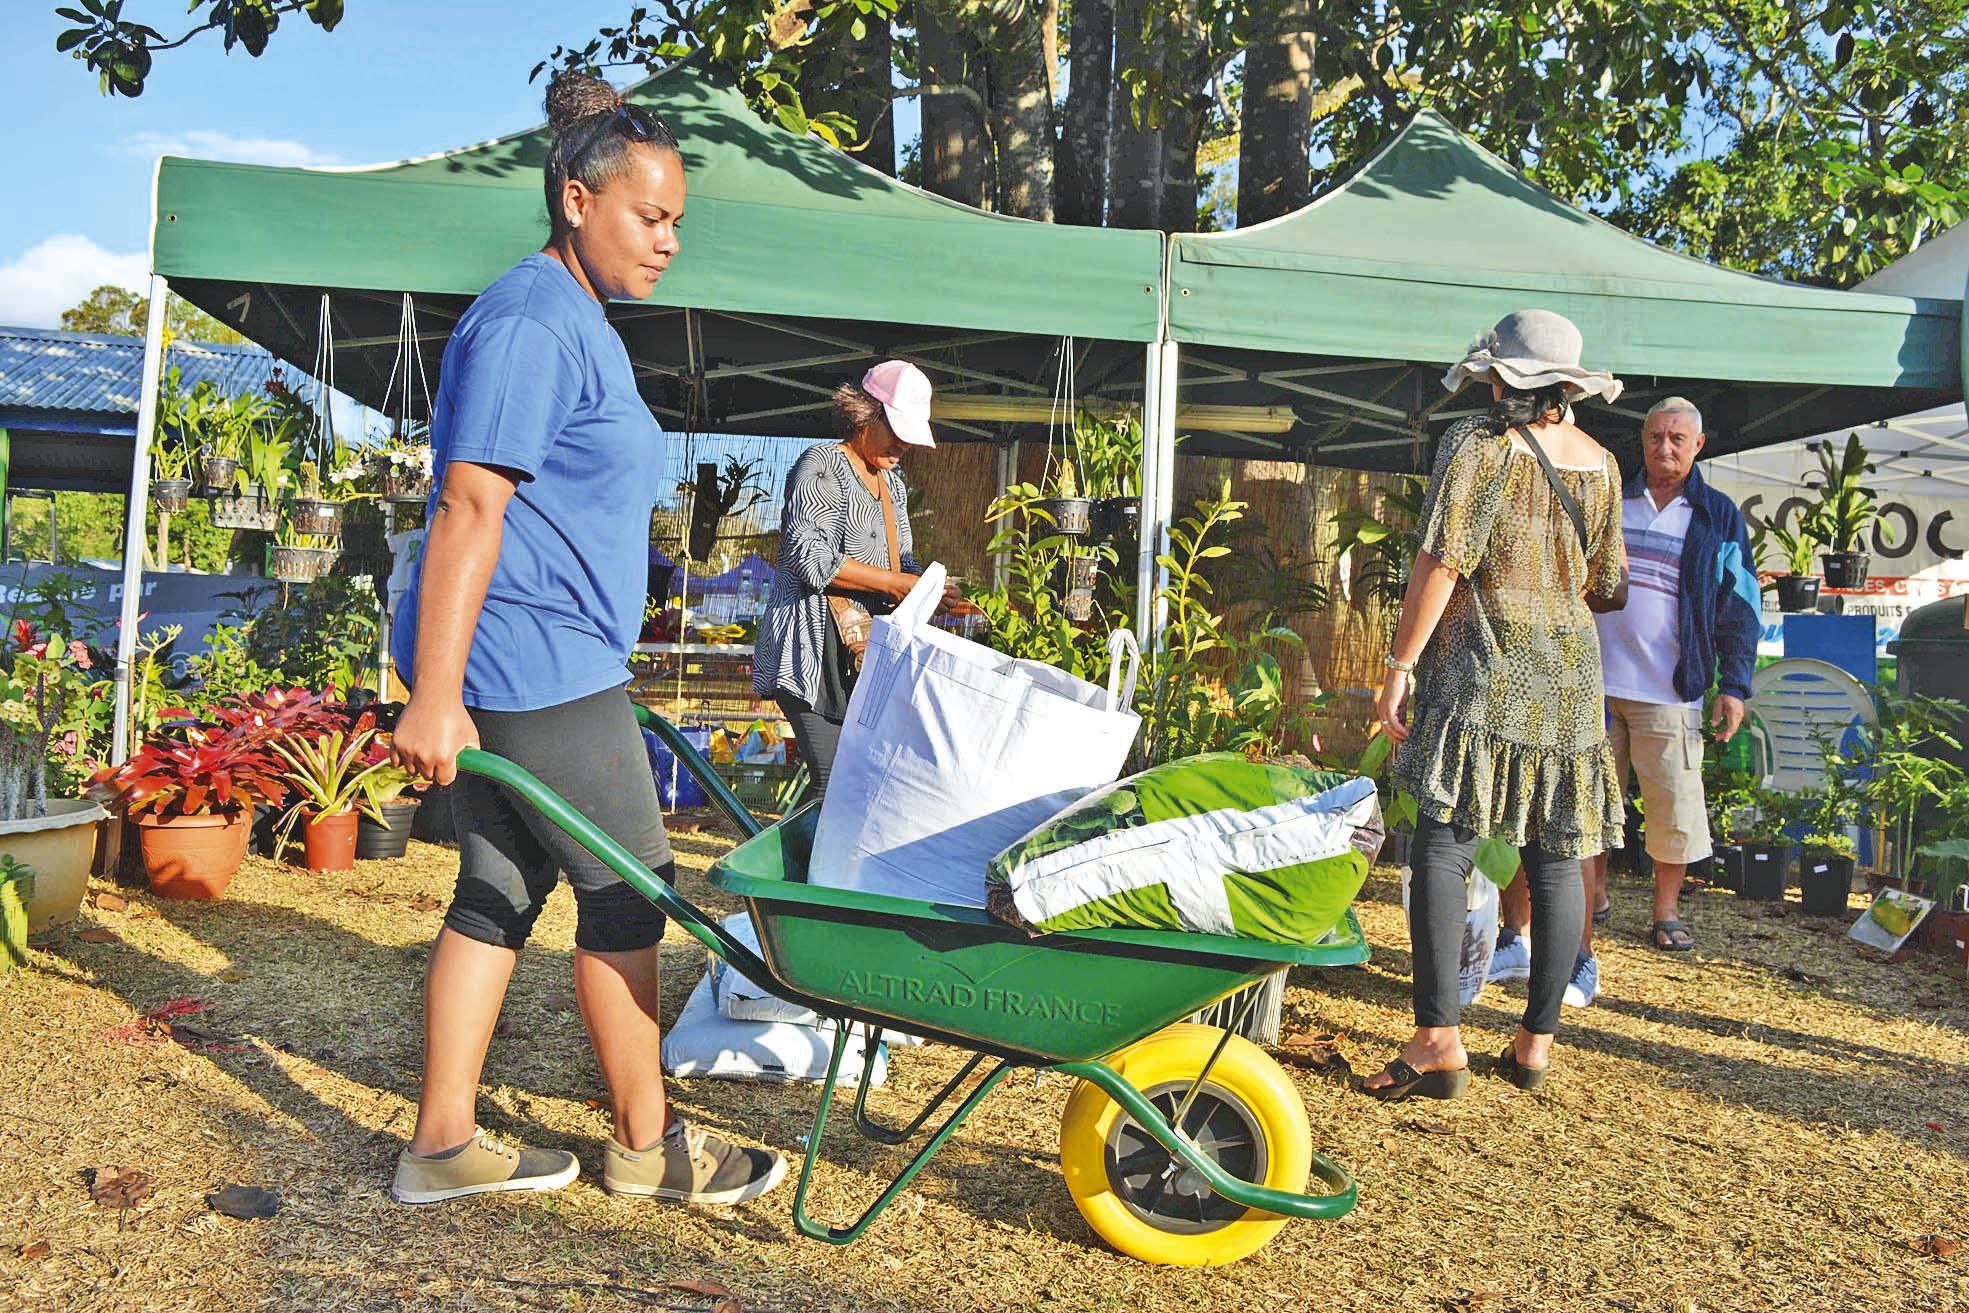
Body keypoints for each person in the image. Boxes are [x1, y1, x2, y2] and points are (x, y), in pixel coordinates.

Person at [387, 72, 784, 1208]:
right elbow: (470, 504)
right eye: (649, 217)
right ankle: (649, 1145)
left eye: (676, 221)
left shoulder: (575, 318)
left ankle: (441, 1145)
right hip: (531, 654)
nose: (668, 242)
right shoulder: (529, 321)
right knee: (630, 889)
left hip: (545, 652)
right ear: (577, 199)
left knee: (500, 885)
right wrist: (435, 692)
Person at [1365, 309, 1629, 1100]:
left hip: (1482, 667)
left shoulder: (1478, 444)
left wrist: (1398, 665)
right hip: (1570, 680)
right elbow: (1605, 581)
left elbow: (1441, 561)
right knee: (1555, 857)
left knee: (1443, 843)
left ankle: (1436, 1038)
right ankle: (1534, 1042)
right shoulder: (1602, 462)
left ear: (1498, 377)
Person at [1488, 397, 1759, 1003]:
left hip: (1671, 686)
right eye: (1656, 436)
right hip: (1591, 685)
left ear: (1699, 445)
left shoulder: (1716, 514)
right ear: (1643, 440)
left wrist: (1734, 685)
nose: (1666, 448)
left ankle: (1666, 910)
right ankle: (1588, 903)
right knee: (1581, 809)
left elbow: (1739, 603)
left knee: (1671, 806)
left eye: (1678, 439)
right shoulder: (1610, 493)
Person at [753, 361, 957, 796]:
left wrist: (927, 589)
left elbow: (901, 563)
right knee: (833, 786)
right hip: (813, 651)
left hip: (861, 654)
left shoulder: (891, 485)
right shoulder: (823, 464)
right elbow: (810, 558)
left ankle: (801, 841)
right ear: (865, 415)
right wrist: (897, 585)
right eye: (897, 431)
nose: (904, 445)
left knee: (848, 791)